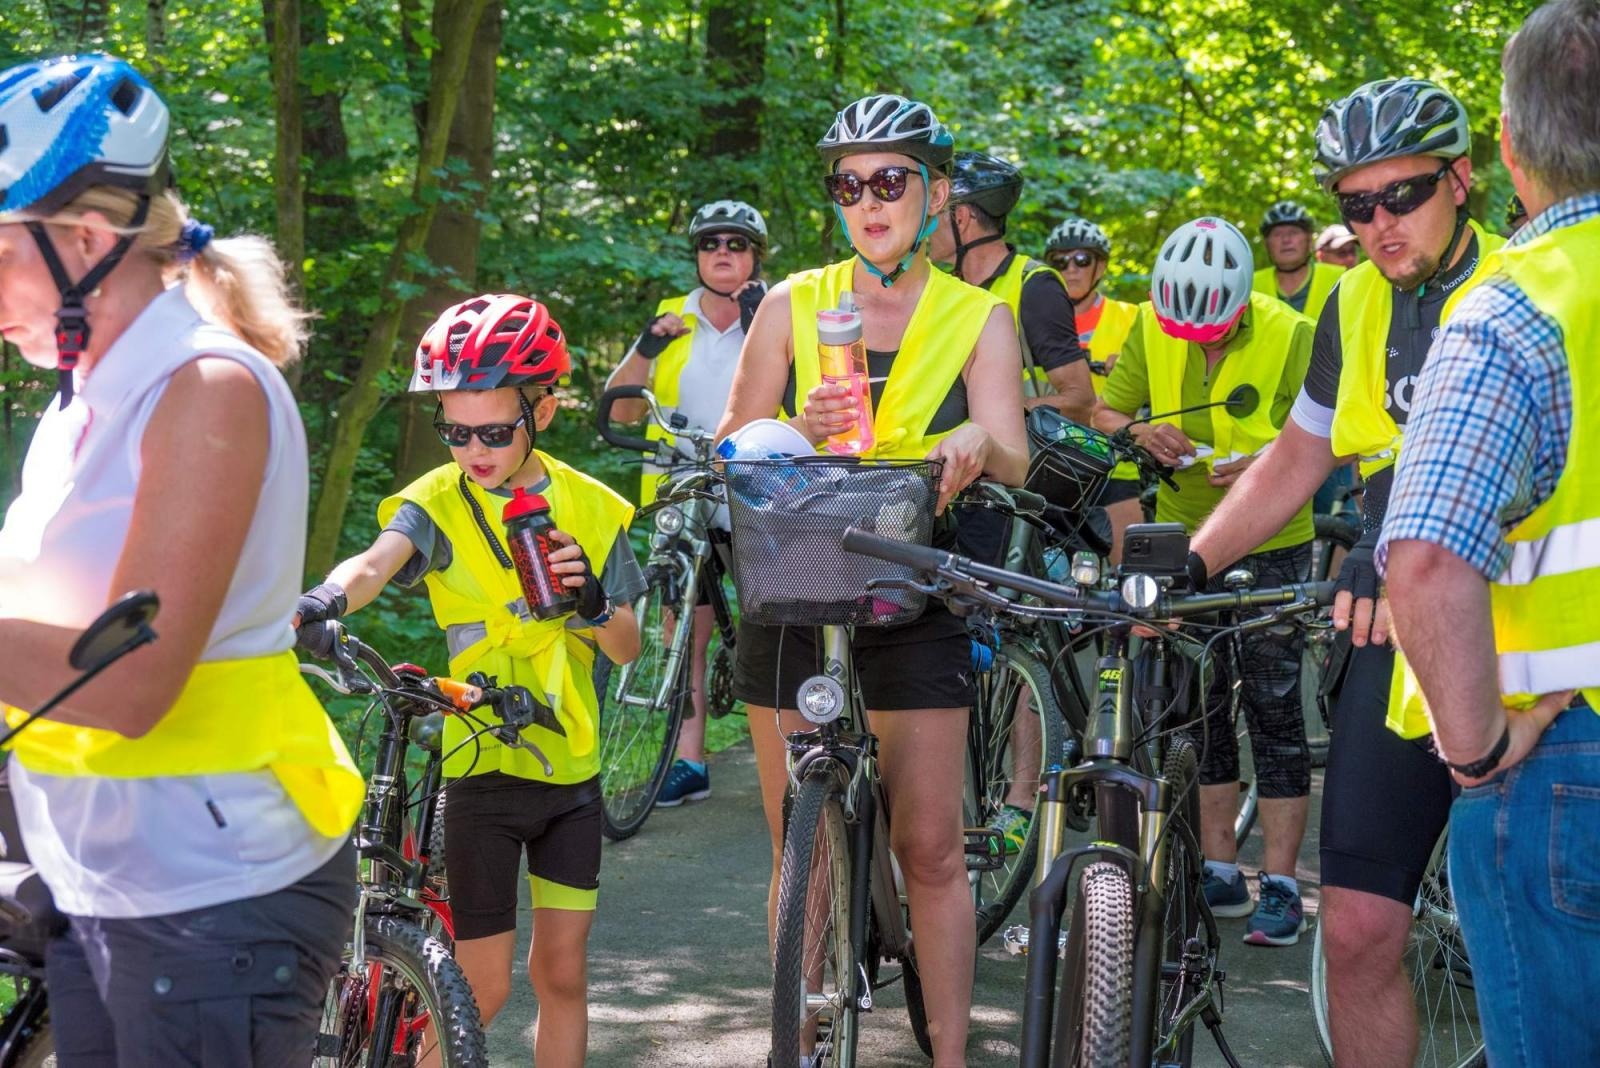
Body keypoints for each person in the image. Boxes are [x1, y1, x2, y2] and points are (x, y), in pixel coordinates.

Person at [0, 54, 362, 1065]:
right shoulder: (80, 405)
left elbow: (133, 677)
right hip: (98, 874)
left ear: (82, 241)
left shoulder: (206, 389)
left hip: (217, 894)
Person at [1185, 77, 1506, 1066]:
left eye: (1400, 196)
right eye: (1353, 205)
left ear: (1461, 179)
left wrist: (1394, 535)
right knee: (1359, 930)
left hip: (1526, 640)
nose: (1376, 224)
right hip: (1391, 634)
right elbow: (1296, 456)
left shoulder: (1525, 279)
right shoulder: (1351, 302)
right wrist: (1185, 564)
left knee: (1531, 940)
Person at [718, 92, 1028, 1064]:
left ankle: (948, 1053)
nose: (869, 200)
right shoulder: (791, 304)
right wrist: (800, 432)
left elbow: (1012, 451)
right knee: (797, 848)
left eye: (889, 180)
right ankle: (798, 1033)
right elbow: (733, 443)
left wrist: (976, 437)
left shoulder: (980, 316)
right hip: (797, 577)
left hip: (914, 582)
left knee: (930, 847)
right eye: (849, 185)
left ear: (936, 193)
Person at [298, 295, 643, 1068]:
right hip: (481, 764)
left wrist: (589, 600)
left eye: (494, 431)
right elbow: (374, 564)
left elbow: (625, 646)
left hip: (570, 770)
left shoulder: (591, 507)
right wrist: (320, 599)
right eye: (456, 432)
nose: (475, 450)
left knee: (562, 973)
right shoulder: (434, 502)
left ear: (543, 412)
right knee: (477, 988)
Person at [1381, 3, 1600, 1063]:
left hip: (1560, 767)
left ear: (1505, 151)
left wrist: (1473, 757)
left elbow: (1423, 560)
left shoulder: (1514, 307)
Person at [1092, 216, 1316, 946]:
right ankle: (1221, 867)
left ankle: (1281, 881)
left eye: (1213, 333)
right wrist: (1139, 434)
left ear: (1241, 305)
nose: (1200, 345)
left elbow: (1341, 431)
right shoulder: (1154, 326)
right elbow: (1104, 409)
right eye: (1186, 332)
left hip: (1274, 539)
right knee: (1201, 707)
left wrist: (1267, 466)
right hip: (1183, 540)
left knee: (1275, 711)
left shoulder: (1292, 329)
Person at [605, 198, 769, 807]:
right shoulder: (671, 317)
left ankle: (792, 754)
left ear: (755, 256)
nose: (722, 253)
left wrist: (761, 322)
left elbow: (815, 394)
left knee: (776, 620)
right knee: (685, 632)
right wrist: (647, 347)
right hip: (682, 489)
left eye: (736, 243)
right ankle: (689, 759)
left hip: (757, 490)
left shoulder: (775, 308)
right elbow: (621, 408)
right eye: (710, 244)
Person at [928, 151, 1093, 421]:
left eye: (934, 213)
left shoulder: (1036, 287)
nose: (927, 226)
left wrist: (997, 412)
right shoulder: (948, 289)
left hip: (1021, 460)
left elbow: (1080, 401)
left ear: (961, 217)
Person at [1045, 216, 1142, 561]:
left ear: (1100, 266)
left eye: (1082, 260)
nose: (1071, 269)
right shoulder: (1037, 318)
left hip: (1116, 460)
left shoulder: (1132, 318)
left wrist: (1134, 367)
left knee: (1128, 565)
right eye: (1060, 261)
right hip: (1053, 458)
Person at [1253, 200, 1345, 322]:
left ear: (1309, 239)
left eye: (1294, 232)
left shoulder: (1340, 278)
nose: (1286, 240)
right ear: (1266, 244)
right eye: (1277, 234)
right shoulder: (1251, 286)